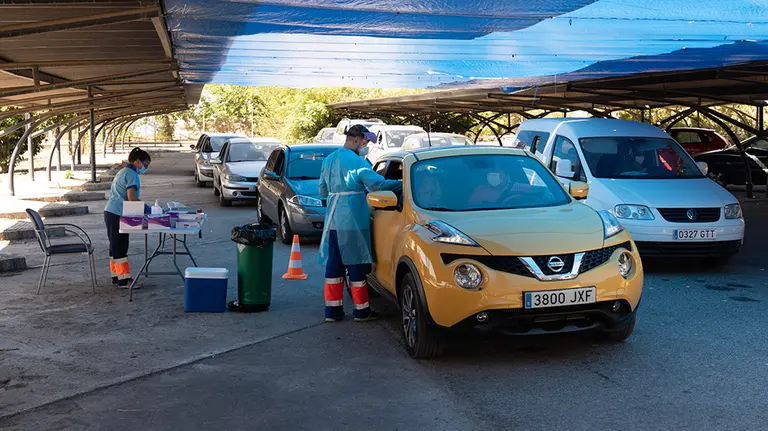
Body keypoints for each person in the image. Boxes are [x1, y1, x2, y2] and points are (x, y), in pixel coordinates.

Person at [318, 124, 402, 323]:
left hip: (333, 220)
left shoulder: (328, 160)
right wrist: (403, 184)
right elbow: (378, 184)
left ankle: (332, 312)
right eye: (366, 142)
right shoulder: (356, 161)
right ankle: (361, 311)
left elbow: (322, 191)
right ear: (356, 140)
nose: (366, 146)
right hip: (353, 219)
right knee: (356, 264)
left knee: (334, 266)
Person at [104, 147, 151, 287]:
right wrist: (148, 209)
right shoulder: (131, 174)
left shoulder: (123, 171)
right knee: (120, 246)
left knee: (114, 246)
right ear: (137, 162)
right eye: (145, 165)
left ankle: (116, 276)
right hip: (117, 213)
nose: (145, 168)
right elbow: (131, 198)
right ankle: (124, 279)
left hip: (111, 211)